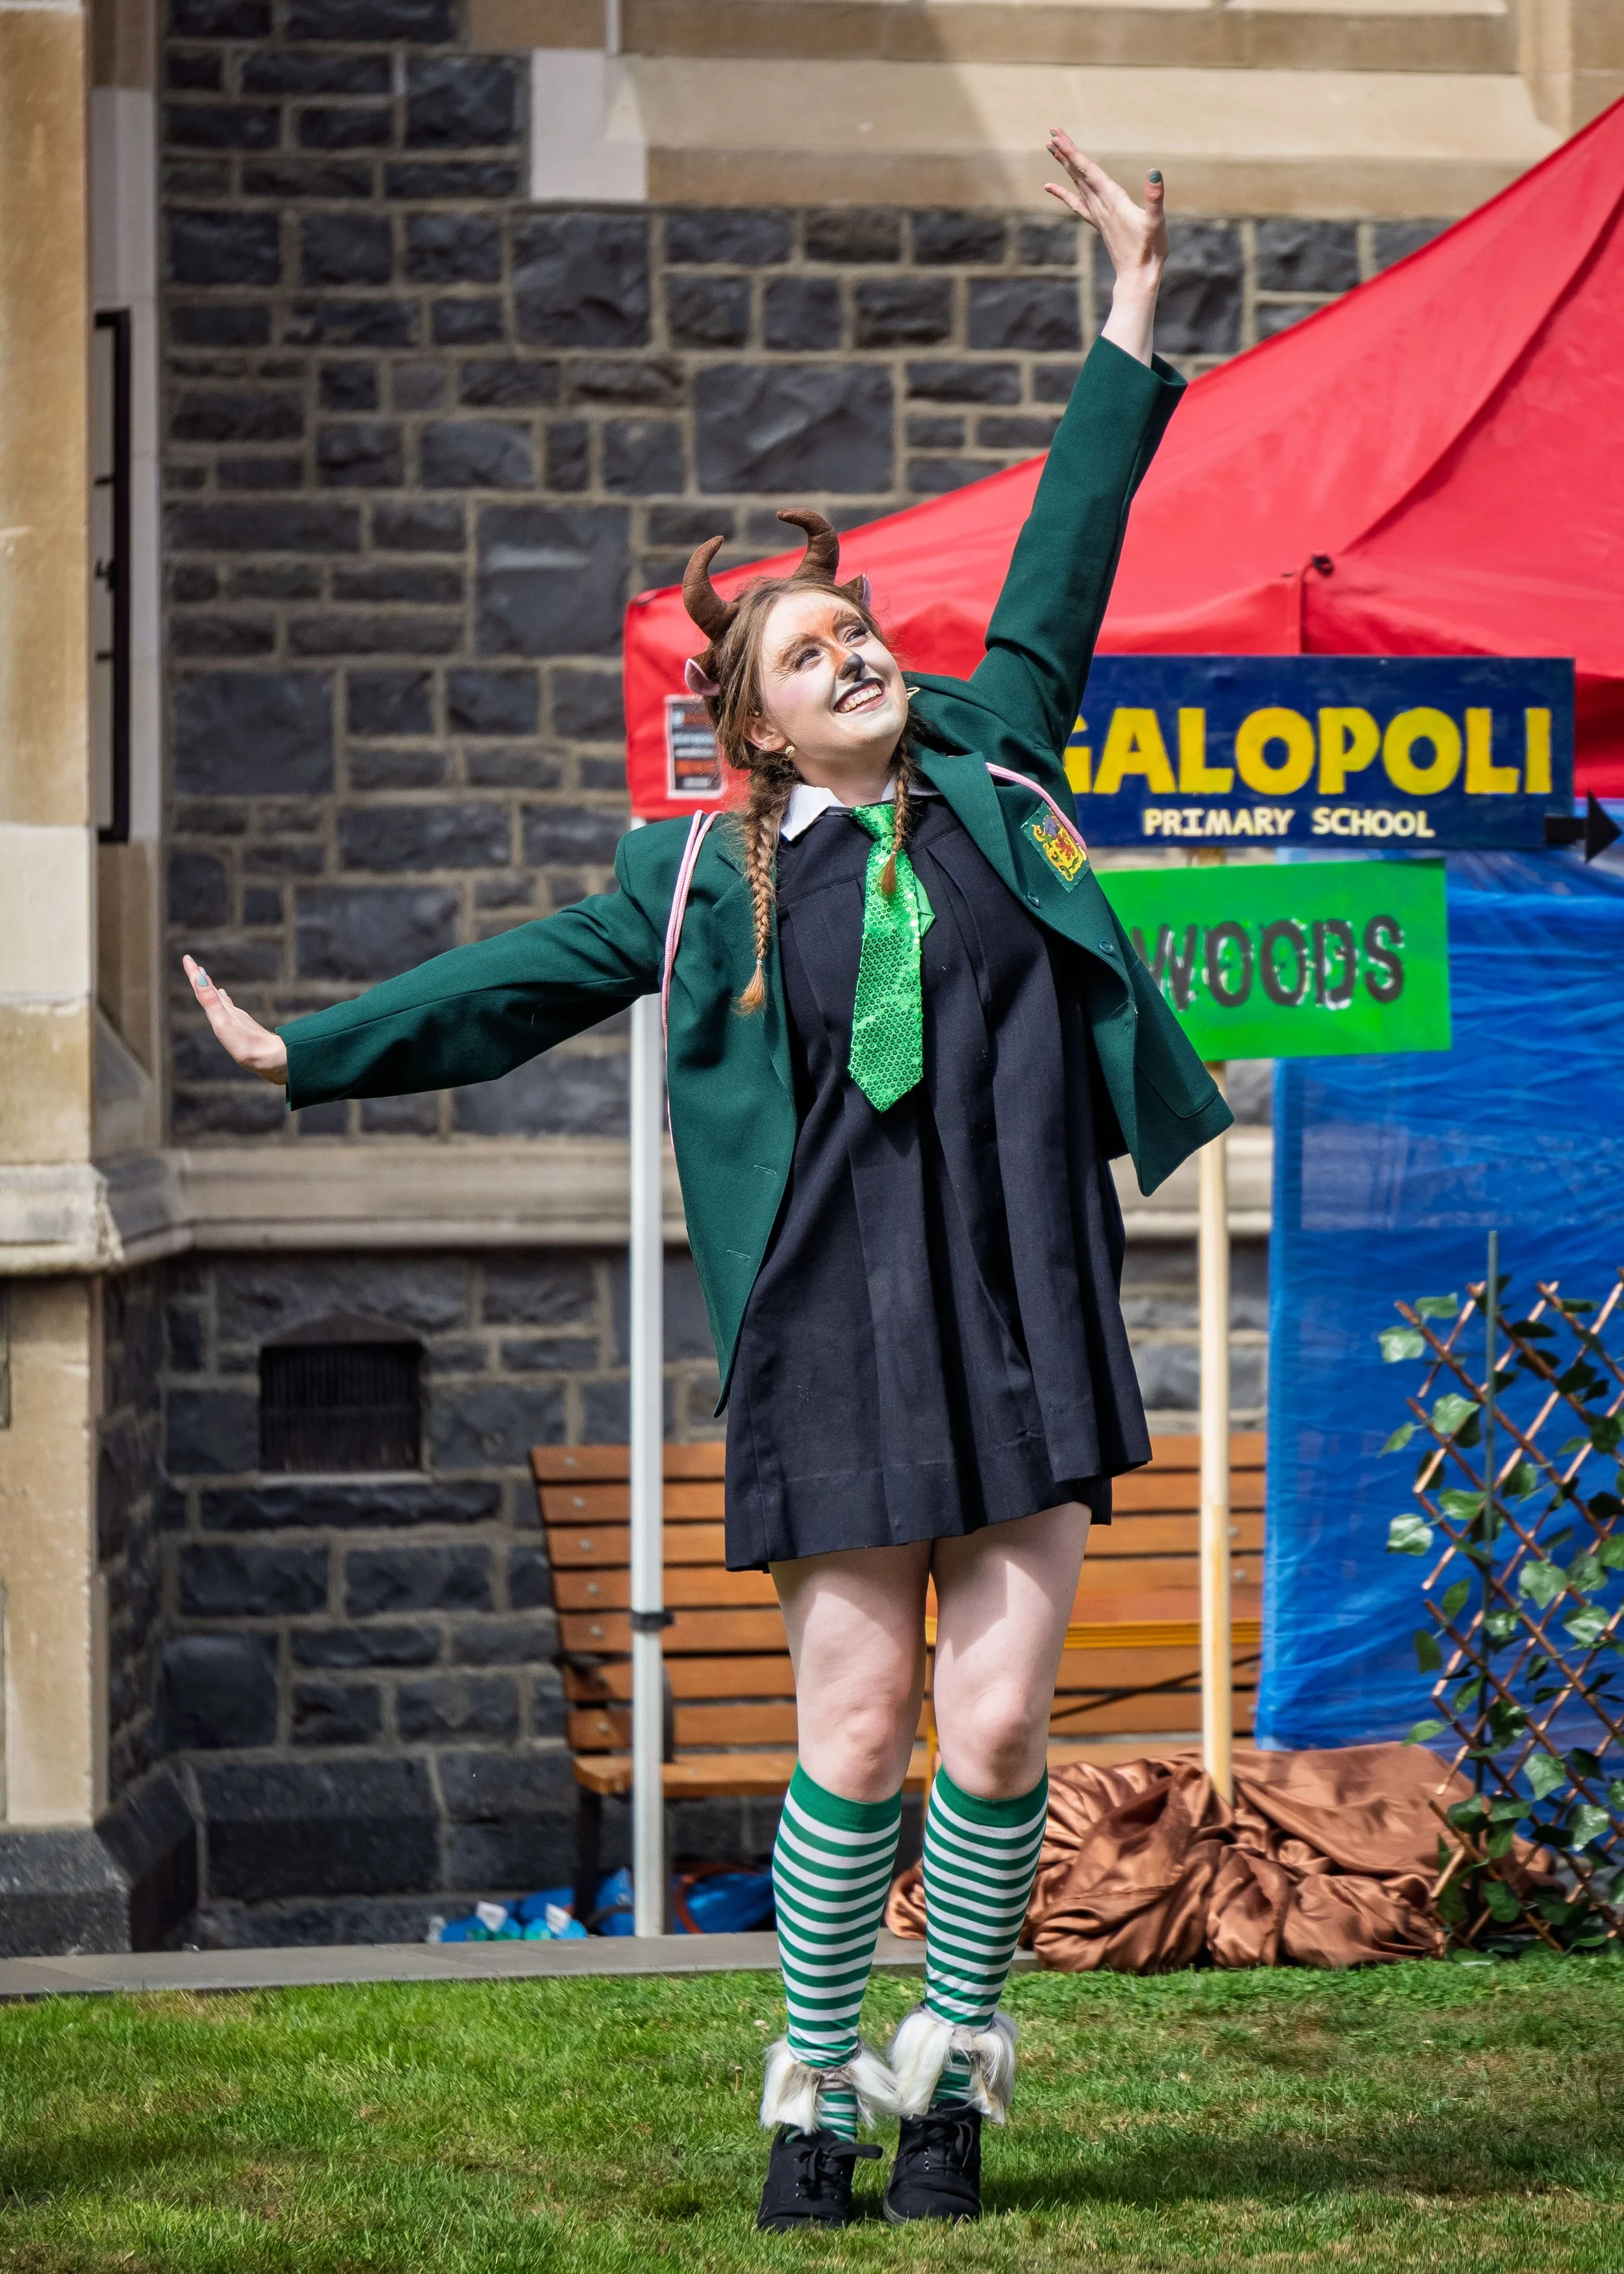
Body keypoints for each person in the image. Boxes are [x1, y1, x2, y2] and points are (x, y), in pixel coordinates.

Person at [184, 134, 1230, 2231]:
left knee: (1003, 1729)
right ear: (748, 724)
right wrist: (308, 1051)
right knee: (852, 1732)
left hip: (1020, 1306)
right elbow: (507, 988)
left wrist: (1128, 301)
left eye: (862, 626)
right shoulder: (688, 880)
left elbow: (1065, 549)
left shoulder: (1001, 767)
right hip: (835, 1334)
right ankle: (812, 2090)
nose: (860, 649)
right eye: (814, 647)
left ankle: (953, 2075)